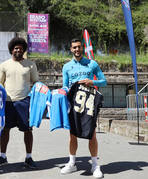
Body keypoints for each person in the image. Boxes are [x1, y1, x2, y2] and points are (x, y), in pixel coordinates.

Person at [61, 38, 107, 178]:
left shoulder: (92, 64)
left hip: (89, 103)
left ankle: (95, 165)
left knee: (91, 134)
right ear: (71, 49)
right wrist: (61, 91)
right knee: (72, 134)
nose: (77, 49)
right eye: (74, 47)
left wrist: (91, 81)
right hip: (73, 103)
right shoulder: (66, 67)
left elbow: (104, 81)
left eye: (79, 47)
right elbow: (64, 85)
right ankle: (72, 163)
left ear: (83, 48)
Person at [0, 37, 39, 169]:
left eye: (20, 48)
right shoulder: (4, 65)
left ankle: (29, 158)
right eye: (15, 48)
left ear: (23, 50)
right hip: (7, 103)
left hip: (25, 102)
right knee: (5, 130)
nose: (18, 50)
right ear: (11, 50)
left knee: (28, 130)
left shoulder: (30, 64)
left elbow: (36, 83)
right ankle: (2, 156)